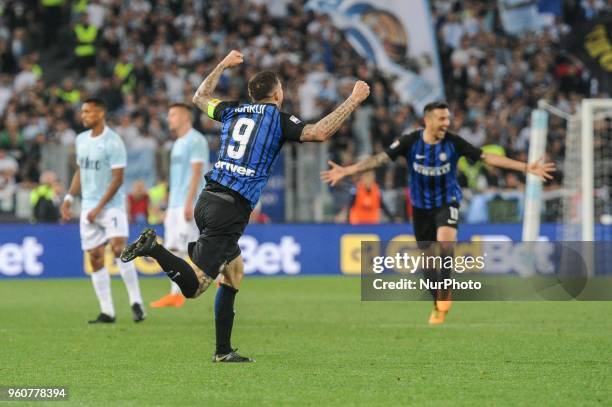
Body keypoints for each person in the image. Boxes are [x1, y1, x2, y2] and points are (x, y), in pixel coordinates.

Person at [121, 50, 370, 362]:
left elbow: (200, 97)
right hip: (230, 209)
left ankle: (223, 351)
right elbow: (319, 132)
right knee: (195, 288)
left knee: (234, 272)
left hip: (209, 198)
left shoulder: (232, 110)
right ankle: (154, 248)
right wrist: (354, 98)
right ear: (278, 93)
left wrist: (223, 65)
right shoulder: (278, 120)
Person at [321, 101, 555, 324]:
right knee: (428, 263)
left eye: (448, 118)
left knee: (445, 242)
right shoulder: (410, 141)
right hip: (421, 207)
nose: (446, 123)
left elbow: (487, 157)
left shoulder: (453, 142)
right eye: (442, 118)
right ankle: (438, 302)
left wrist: (526, 167)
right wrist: (348, 170)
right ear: (428, 120)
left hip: (447, 201)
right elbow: (380, 159)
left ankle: (445, 292)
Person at [60, 97, 145, 324]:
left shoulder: (113, 142)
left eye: (87, 112)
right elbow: (80, 171)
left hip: (111, 207)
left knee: (119, 249)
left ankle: (136, 302)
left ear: (100, 113)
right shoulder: (81, 140)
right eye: (82, 112)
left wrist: (99, 208)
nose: (83, 116)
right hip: (88, 207)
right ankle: (107, 312)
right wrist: (69, 198)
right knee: (95, 258)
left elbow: (118, 180)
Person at [150, 103, 208, 309]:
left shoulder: (196, 140)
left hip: (188, 202)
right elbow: (176, 179)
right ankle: (175, 295)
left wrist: (188, 203)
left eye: (173, 114)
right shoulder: (176, 144)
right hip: (175, 205)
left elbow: (196, 173)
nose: (169, 118)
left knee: (193, 248)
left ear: (186, 117)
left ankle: (222, 277)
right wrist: (168, 206)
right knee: (174, 248)